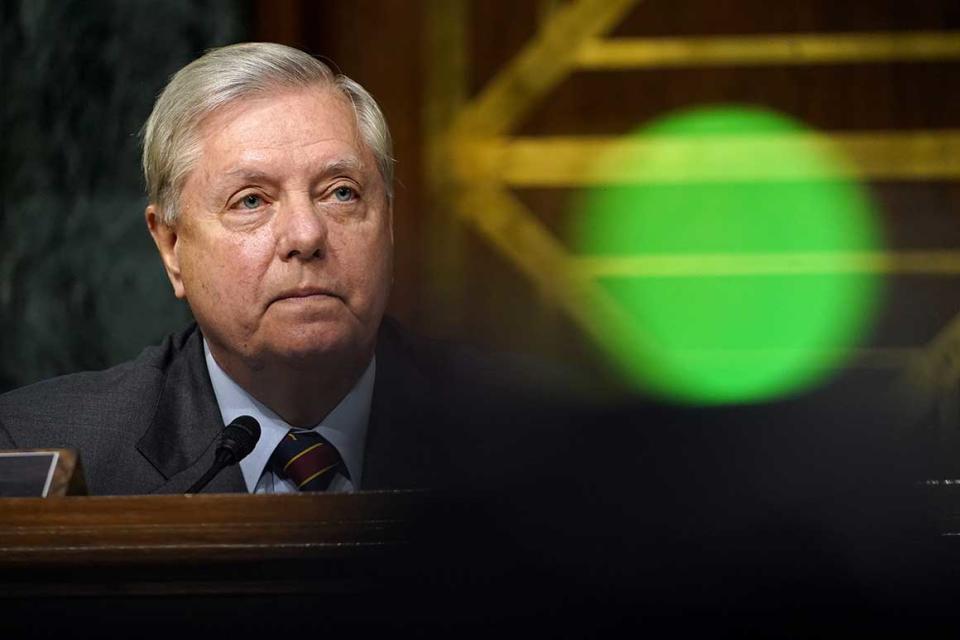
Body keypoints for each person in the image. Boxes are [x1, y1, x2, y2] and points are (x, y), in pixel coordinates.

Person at [0, 42, 578, 495]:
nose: (306, 236)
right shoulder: (37, 449)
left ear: (391, 225)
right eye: (251, 200)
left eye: (342, 194)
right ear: (171, 246)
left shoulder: (538, 440)